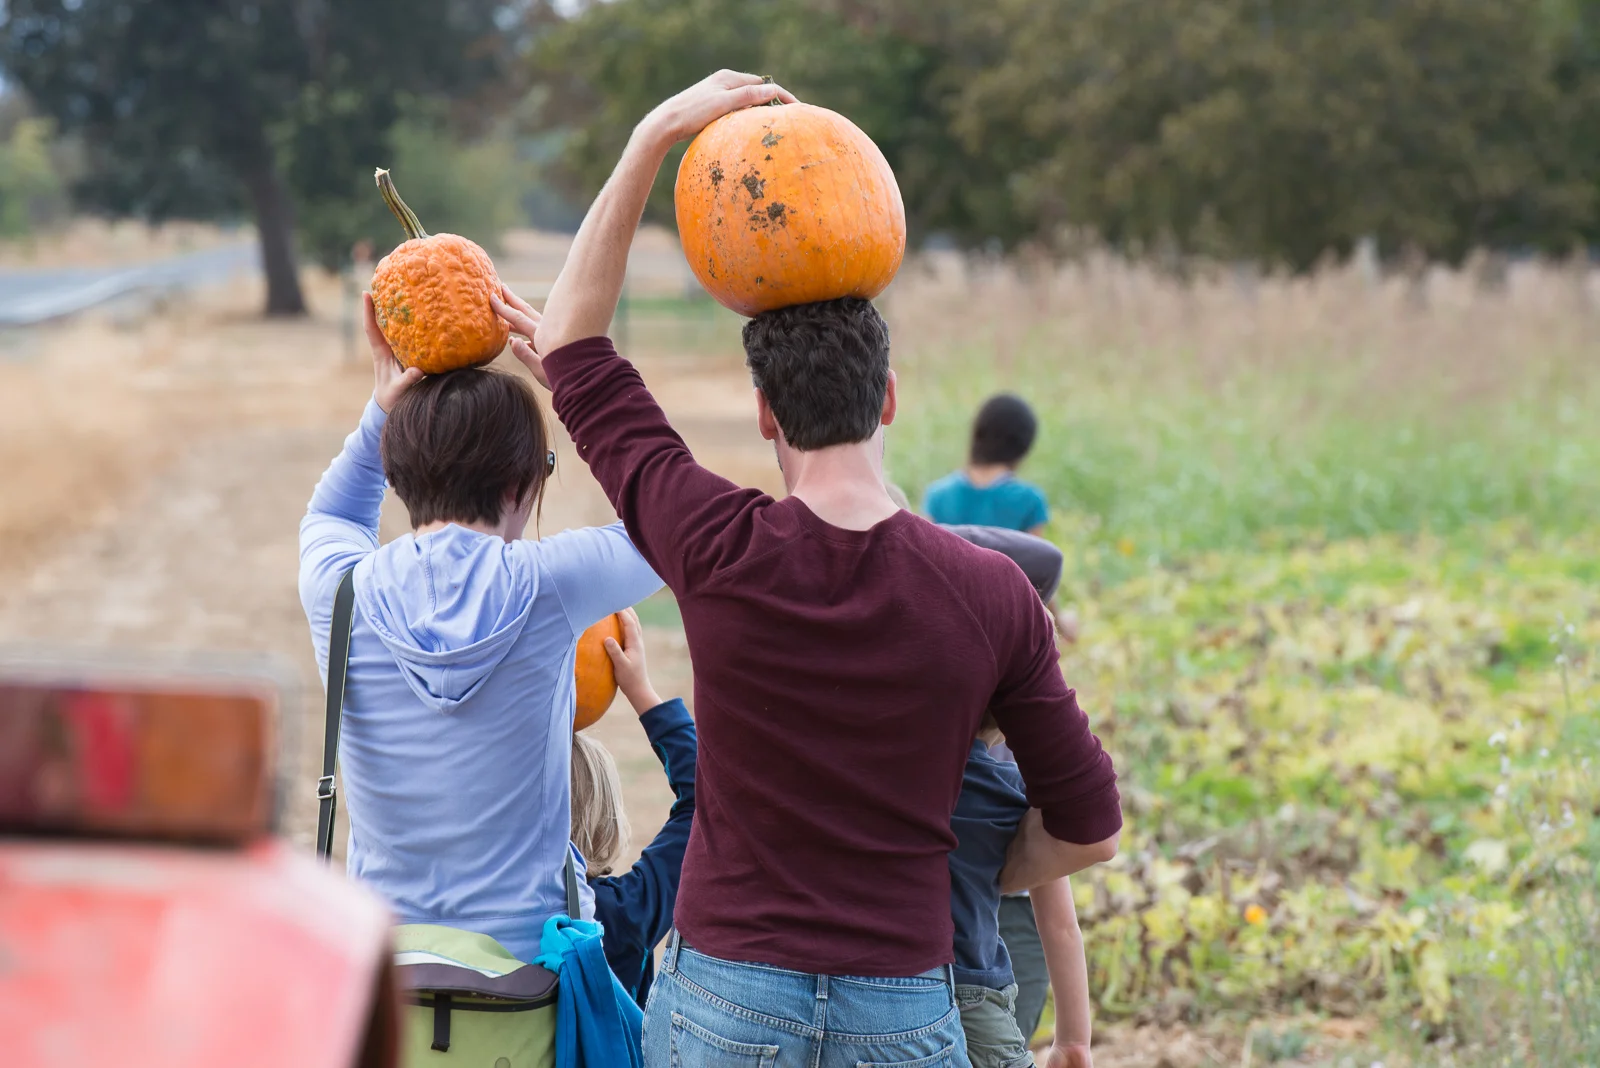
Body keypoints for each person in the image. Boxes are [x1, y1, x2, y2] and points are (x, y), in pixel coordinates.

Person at [492, 70, 1121, 1068]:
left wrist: (654, 136)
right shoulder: (993, 594)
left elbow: (569, 336)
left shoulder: (710, 539)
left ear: (764, 416)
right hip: (904, 1009)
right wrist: (966, 868)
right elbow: (1089, 829)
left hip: (723, 1005)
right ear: (891, 401)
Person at [298, 296, 662, 964]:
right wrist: (585, 396)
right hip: (531, 984)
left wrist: (383, 409)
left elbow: (332, 516)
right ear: (522, 481)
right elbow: (677, 521)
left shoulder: (339, 592)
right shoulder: (549, 584)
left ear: (397, 474)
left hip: (386, 978)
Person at [572, 608, 697, 1008]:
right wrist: (641, 691)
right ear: (604, 817)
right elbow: (707, 800)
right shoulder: (621, 914)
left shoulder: (476, 898)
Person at [954, 713, 1093, 1068]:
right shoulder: (1016, 790)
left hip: (880, 983)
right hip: (974, 988)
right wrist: (1074, 1041)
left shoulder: (886, 772)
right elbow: (1061, 925)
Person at [924, 394, 1050, 534]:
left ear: (977, 433)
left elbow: (924, 552)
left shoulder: (937, 495)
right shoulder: (1030, 501)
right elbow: (1034, 554)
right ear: (1024, 446)